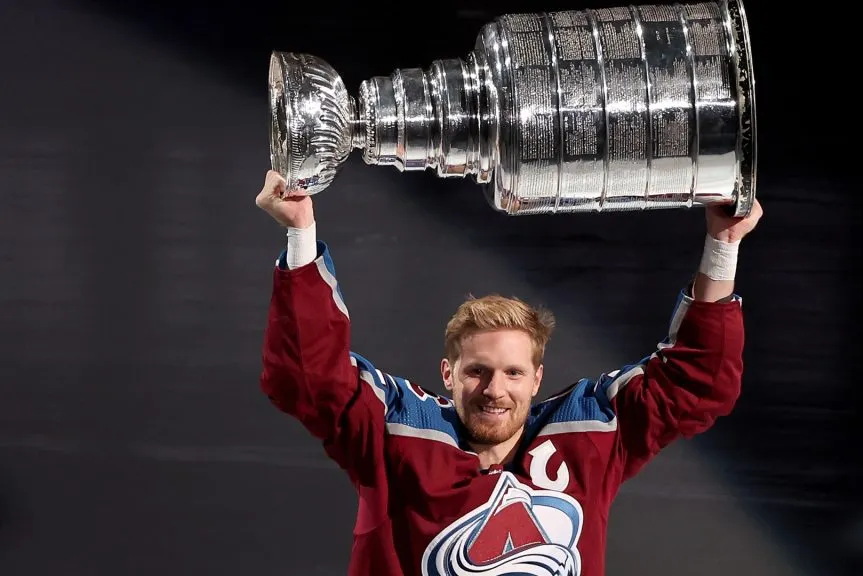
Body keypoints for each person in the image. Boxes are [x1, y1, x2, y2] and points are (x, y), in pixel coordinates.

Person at [255, 169, 763, 576]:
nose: (495, 390)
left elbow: (695, 384)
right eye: (477, 371)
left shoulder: (589, 433)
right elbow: (308, 377)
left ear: (538, 379)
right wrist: (300, 232)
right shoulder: (395, 432)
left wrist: (724, 244)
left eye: (514, 373)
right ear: (447, 373)